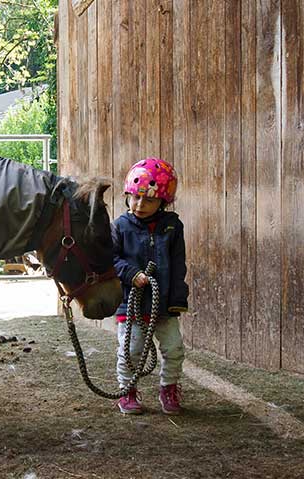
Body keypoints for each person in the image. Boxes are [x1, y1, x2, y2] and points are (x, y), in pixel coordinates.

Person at [112, 157, 189, 415]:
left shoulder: (172, 227)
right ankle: (127, 390)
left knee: (174, 348)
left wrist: (177, 298)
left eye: (149, 200)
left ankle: (168, 388)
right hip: (131, 303)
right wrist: (131, 274)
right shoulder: (120, 227)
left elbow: (179, 265)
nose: (140, 205)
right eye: (135, 198)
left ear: (162, 202)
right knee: (130, 351)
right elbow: (111, 260)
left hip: (164, 304)